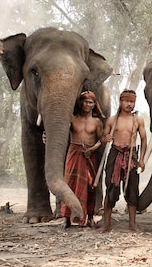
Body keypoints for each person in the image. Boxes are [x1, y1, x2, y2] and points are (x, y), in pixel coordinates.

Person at [100, 89, 147, 232]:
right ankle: (106, 224)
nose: (129, 104)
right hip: (115, 153)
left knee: (132, 189)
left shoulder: (137, 120)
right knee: (111, 188)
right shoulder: (112, 120)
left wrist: (141, 159)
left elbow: (144, 140)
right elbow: (102, 138)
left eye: (132, 101)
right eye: (126, 101)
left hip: (131, 154)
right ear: (120, 102)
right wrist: (106, 138)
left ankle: (132, 224)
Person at [61, 90, 105, 228]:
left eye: (90, 102)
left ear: (94, 104)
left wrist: (92, 149)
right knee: (70, 184)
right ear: (81, 103)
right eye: (85, 101)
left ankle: (90, 217)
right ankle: (67, 218)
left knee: (90, 185)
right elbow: (60, 132)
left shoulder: (97, 122)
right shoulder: (72, 119)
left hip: (90, 155)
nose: (88, 104)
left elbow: (102, 139)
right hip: (74, 152)